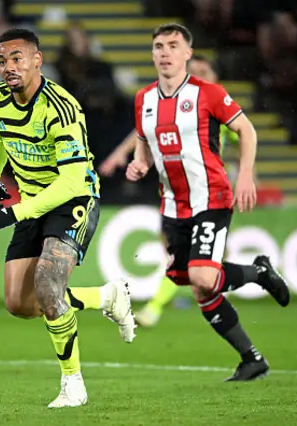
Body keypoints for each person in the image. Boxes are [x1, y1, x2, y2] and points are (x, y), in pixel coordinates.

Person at [0, 28, 136, 408]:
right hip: (34, 202)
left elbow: (69, 181)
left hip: (73, 199)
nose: (9, 67)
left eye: (17, 58)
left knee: (48, 283)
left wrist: (13, 211)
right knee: (19, 303)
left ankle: (73, 385)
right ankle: (106, 296)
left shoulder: (62, 108)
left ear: (38, 60)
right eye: (2, 60)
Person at [127, 23, 290, 382]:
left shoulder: (209, 93)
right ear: (152, 54)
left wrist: (245, 175)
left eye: (173, 45)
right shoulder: (144, 99)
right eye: (158, 46)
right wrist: (139, 163)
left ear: (188, 53)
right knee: (200, 287)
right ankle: (251, 358)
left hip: (211, 198)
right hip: (172, 206)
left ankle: (259, 274)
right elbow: (143, 143)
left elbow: (246, 130)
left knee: (203, 275)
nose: (165, 52)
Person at [99, 54, 240, 328]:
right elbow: (143, 131)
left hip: (208, 193)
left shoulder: (220, 106)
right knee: (185, 253)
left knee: (189, 255)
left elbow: (242, 134)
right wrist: (120, 155)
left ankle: (156, 307)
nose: (196, 78)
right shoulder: (177, 104)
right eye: (193, 72)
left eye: (203, 72)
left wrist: (247, 175)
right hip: (176, 191)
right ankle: (232, 283)